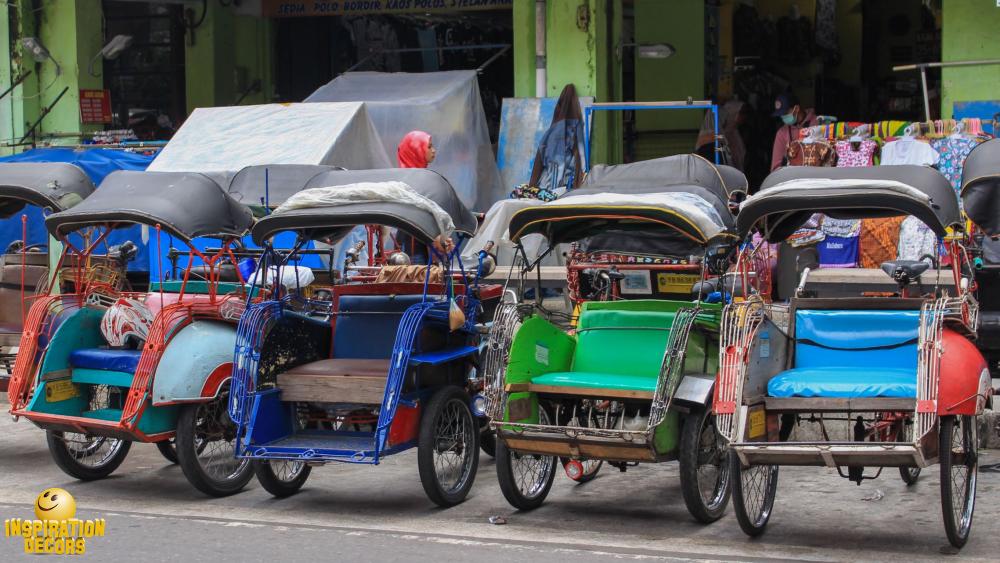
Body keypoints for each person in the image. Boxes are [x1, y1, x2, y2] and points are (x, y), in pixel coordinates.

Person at [395, 130, 438, 263]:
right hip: (413, 247)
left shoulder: (421, 176)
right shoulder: (409, 180)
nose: (434, 150)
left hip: (422, 243)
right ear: (416, 150)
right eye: (429, 146)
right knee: (417, 280)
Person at [770, 91, 817, 171]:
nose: (783, 117)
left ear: (797, 108)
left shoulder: (818, 124)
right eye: (781, 115)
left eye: (785, 113)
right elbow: (775, 168)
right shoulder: (781, 133)